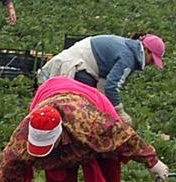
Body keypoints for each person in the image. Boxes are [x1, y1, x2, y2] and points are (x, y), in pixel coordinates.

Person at [0, 76, 168, 182]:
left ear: (60, 134)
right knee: (58, 177)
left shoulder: (89, 124)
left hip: (90, 103)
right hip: (51, 91)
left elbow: (124, 136)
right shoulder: (22, 137)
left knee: (109, 166)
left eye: (47, 145)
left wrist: (152, 162)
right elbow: (7, 168)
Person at [36, 34, 165, 123]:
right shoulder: (128, 58)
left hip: (81, 61)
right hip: (77, 65)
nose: (151, 63)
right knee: (80, 106)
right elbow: (111, 86)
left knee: (94, 104)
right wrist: (119, 111)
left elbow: (104, 81)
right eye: (152, 59)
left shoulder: (129, 48)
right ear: (146, 50)